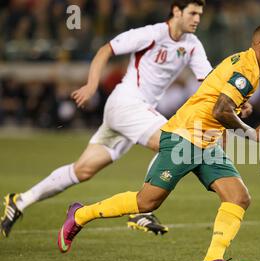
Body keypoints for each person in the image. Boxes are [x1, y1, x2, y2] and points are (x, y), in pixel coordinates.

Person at [57, 23, 260, 261]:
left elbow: (217, 96)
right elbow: (220, 111)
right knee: (147, 202)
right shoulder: (246, 70)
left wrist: (237, 109)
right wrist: (253, 134)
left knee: (238, 197)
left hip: (206, 141)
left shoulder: (247, 65)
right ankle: (80, 214)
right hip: (185, 137)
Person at [1, 0, 212, 238]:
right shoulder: (152, 34)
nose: (197, 19)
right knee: (173, 142)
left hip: (134, 113)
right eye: (193, 13)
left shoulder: (192, 45)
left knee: (82, 170)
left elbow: (208, 81)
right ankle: (141, 209)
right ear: (176, 11)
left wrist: (235, 102)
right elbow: (105, 50)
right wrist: (92, 85)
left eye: (200, 14)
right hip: (127, 103)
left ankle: (19, 202)